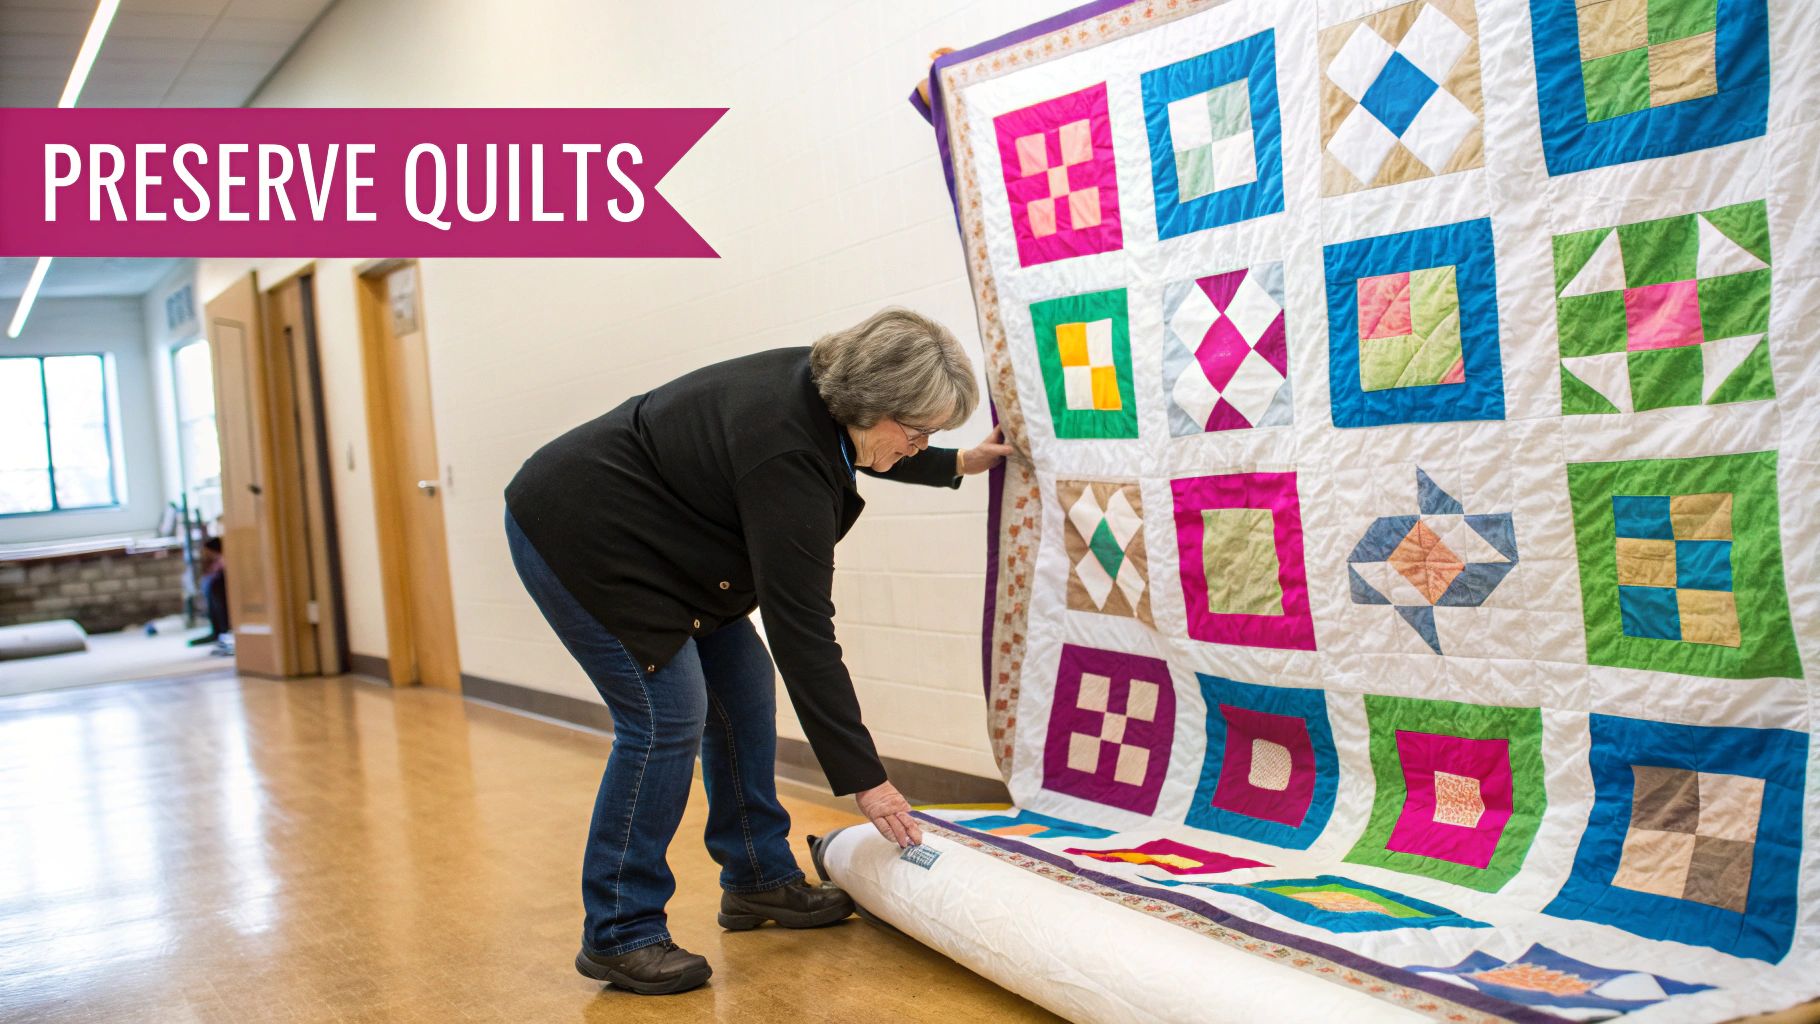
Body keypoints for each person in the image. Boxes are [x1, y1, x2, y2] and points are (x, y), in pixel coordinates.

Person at [504, 308, 1011, 995]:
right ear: (876, 406)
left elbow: (849, 448)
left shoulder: (829, 390)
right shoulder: (787, 452)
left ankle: (757, 879)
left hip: (670, 541)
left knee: (742, 683)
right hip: (582, 533)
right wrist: (867, 777)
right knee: (666, 716)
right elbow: (803, 627)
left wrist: (956, 462)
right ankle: (620, 932)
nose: (921, 443)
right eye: (920, 432)